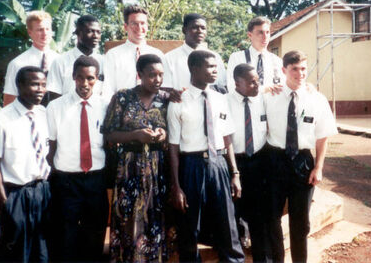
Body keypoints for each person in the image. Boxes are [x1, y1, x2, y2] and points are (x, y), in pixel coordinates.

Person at [167, 50, 244, 263]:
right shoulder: (178, 101)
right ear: (194, 69)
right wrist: (176, 186)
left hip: (218, 163)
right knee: (190, 227)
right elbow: (173, 146)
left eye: (216, 66)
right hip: (191, 165)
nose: (215, 70)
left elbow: (227, 138)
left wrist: (234, 173)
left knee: (227, 224)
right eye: (210, 66)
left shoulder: (220, 99)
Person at [263, 50, 338, 262]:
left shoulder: (317, 99)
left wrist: (319, 167)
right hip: (274, 160)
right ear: (284, 70)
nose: (300, 73)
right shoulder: (270, 96)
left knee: (300, 222)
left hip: (303, 162)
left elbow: (323, 136)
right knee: (272, 218)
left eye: (303, 68)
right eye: (294, 69)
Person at [103, 54, 170, 262]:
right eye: (152, 75)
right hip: (129, 166)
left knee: (155, 218)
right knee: (127, 217)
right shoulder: (123, 97)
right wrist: (134, 135)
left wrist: (162, 134)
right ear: (139, 75)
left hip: (158, 168)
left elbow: (172, 131)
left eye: (160, 75)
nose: (157, 80)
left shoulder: (165, 99)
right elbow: (109, 133)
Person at [0, 66, 52, 262]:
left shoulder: (44, 114)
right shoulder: (2, 119)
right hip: (16, 194)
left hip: (43, 192)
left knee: (42, 249)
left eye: (43, 85)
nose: (40, 89)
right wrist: (4, 201)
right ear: (19, 85)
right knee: (14, 250)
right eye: (34, 84)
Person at [45, 56, 109, 262]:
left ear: (97, 79)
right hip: (66, 180)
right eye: (79, 77)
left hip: (96, 179)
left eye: (90, 78)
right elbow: (51, 146)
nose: (84, 83)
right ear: (73, 77)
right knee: (65, 236)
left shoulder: (105, 106)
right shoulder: (55, 107)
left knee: (95, 234)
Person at [227, 63, 271, 261]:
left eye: (258, 81)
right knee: (233, 215)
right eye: (252, 82)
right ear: (237, 83)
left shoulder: (264, 100)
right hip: (234, 162)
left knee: (259, 216)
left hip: (260, 163)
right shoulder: (224, 101)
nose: (257, 85)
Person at [102, 5, 167, 100]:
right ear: (125, 27)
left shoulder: (158, 55)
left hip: (152, 108)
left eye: (142, 23)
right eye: (134, 23)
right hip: (122, 108)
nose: (139, 28)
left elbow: (163, 87)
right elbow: (108, 88)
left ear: (147, 26)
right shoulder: (113, 55)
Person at [3, 11, 59, 106]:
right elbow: (9, 98)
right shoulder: (18, 63)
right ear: (30, 32)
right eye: (40, 30)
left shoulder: (61, 61)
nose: (45, 33)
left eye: (47, 29)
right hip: (28, 117)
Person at [163, 13, 227, 95]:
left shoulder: (215, 57)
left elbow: (221, 86)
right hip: (181, 104)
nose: (200, 31)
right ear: (184, 30)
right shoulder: (169, 58)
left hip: (209, 104)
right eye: (195, 27)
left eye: (203, 28)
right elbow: (166, 89)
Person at [46, 15, 104, 100]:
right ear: (78, 33)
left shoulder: (104, 62)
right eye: (90, 31)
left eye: (98, 32)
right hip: (67, 111)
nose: (95, 36)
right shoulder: (60, 62)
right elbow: (54, 97)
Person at [227, 16, 283, 94]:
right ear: (250, 35)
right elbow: (232, 87)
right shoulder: (237, 58)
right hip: (246, 105)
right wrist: (263, 90)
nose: (265, 36)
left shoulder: (277, 61)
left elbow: (282, 88)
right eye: (260, 32)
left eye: (267, 32)